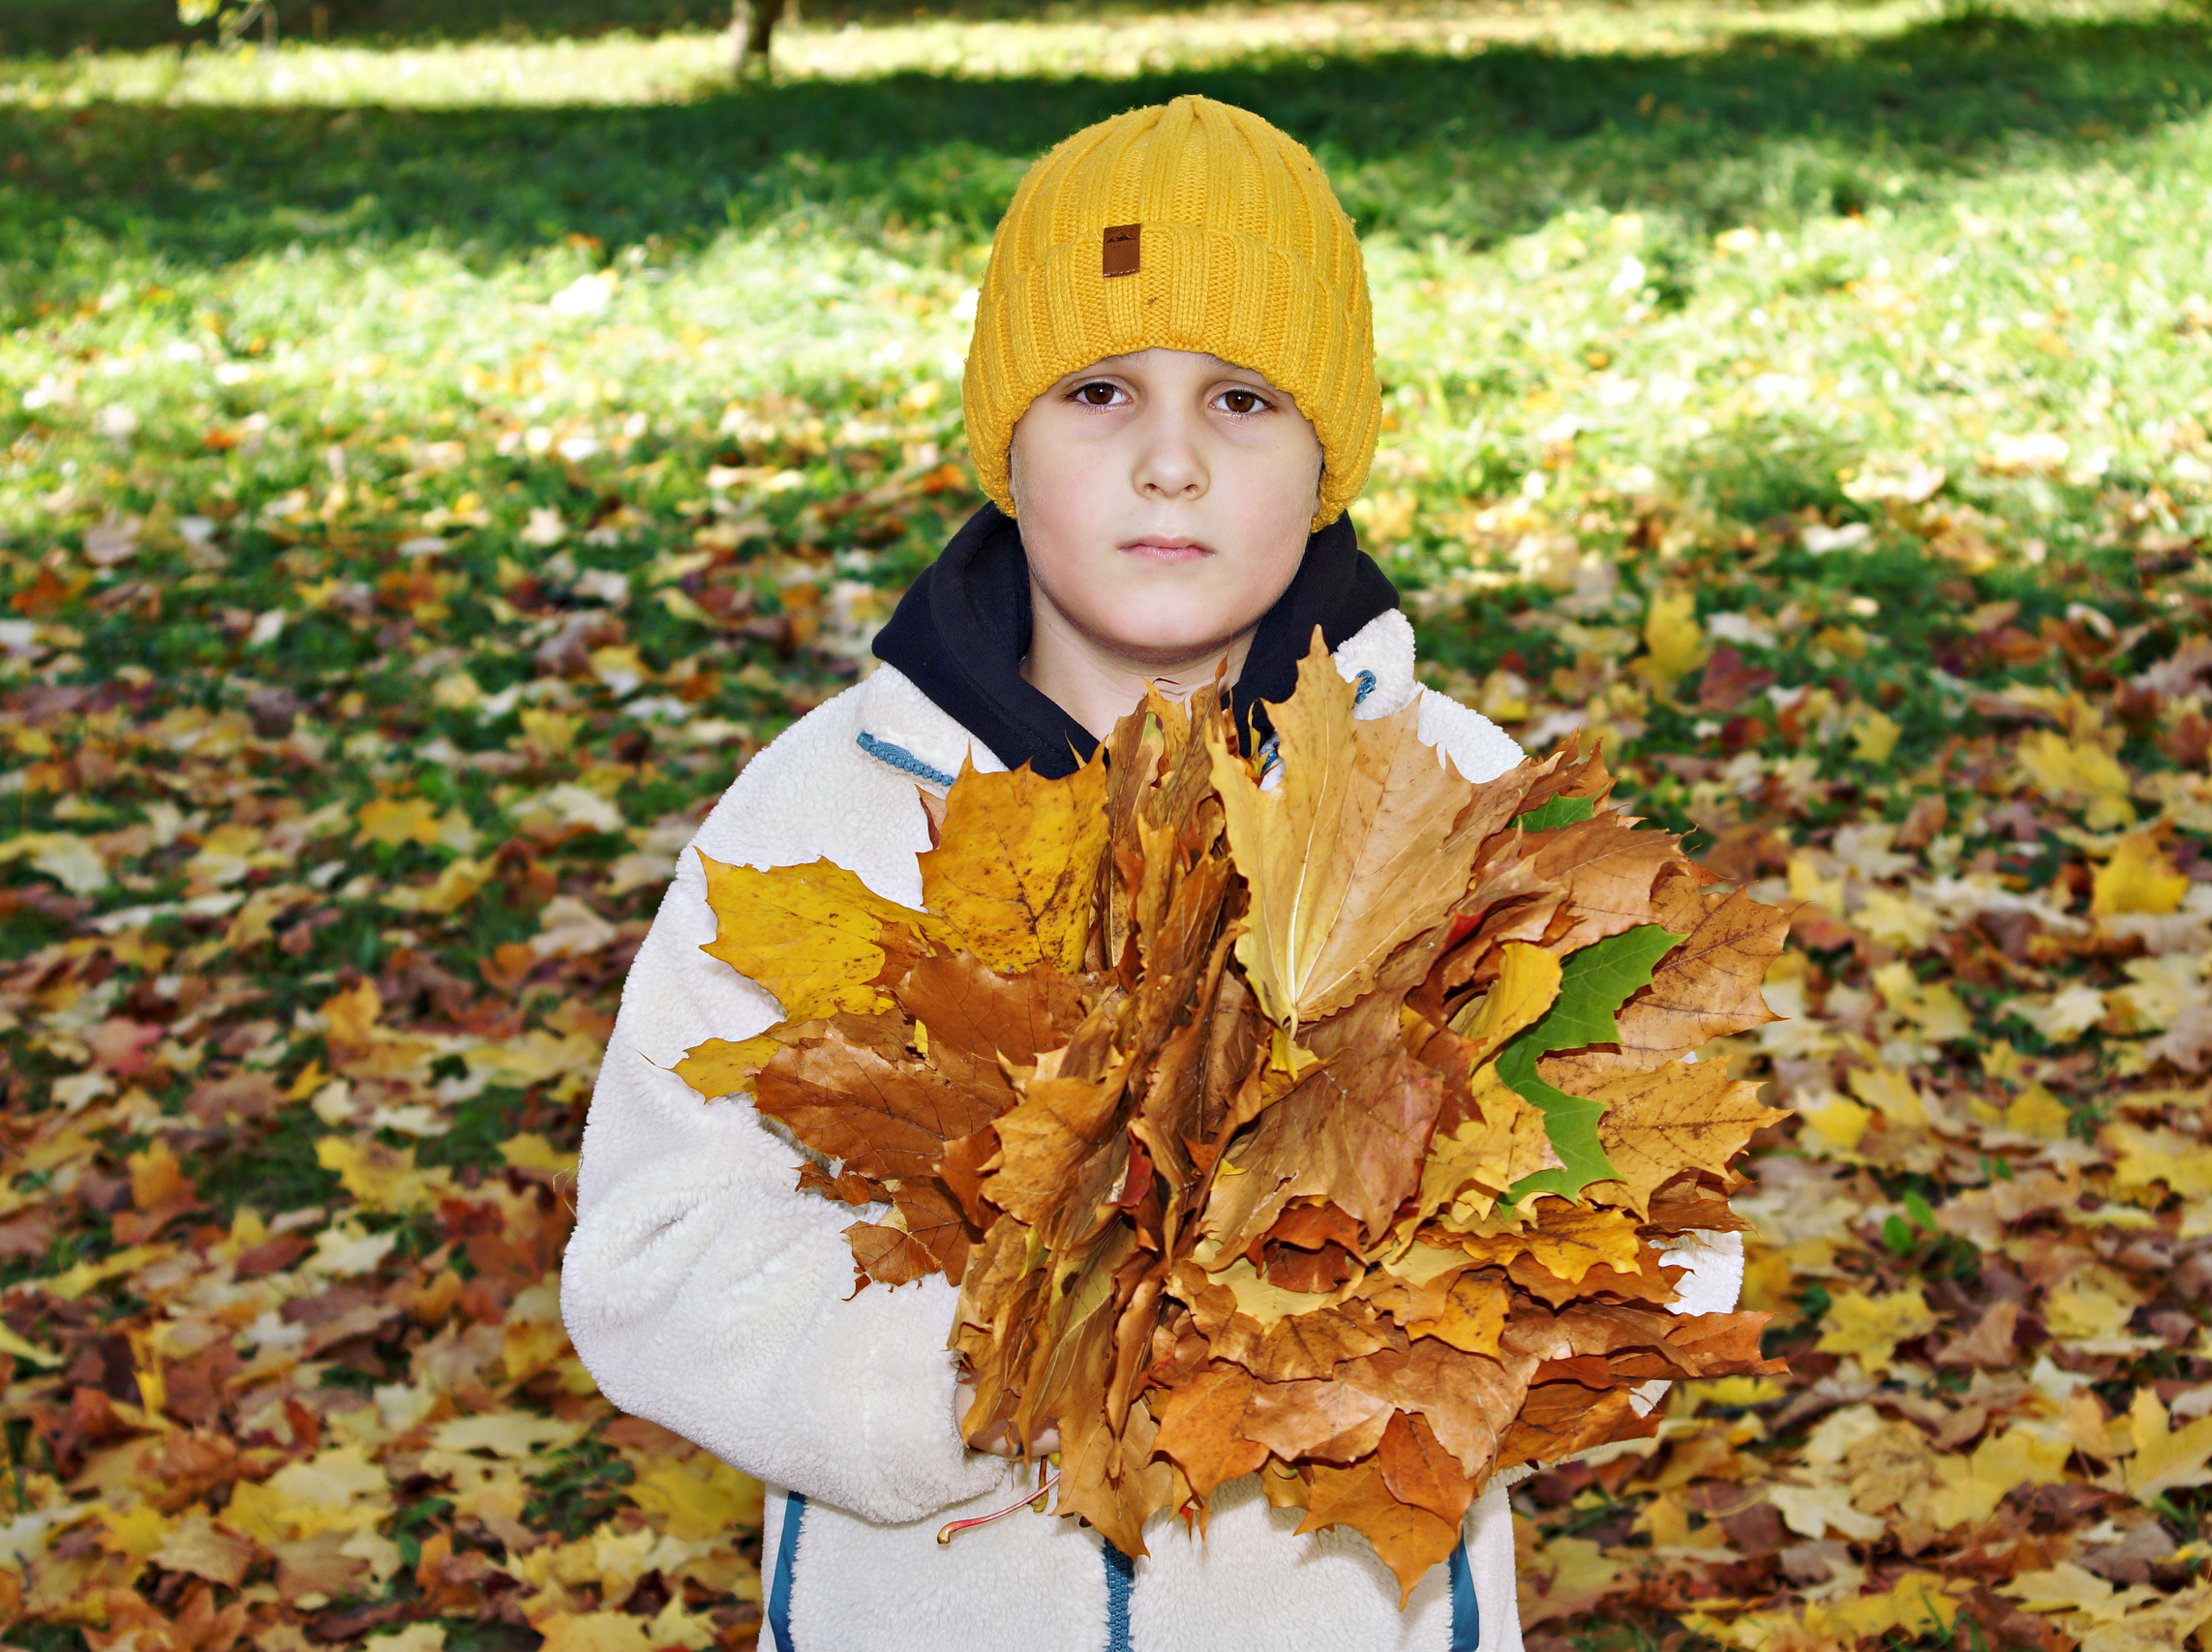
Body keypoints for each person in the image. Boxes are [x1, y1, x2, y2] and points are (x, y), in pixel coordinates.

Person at [561, 95, 1742, 1652]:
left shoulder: (1451, 795)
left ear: (1330, 454)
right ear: (1008, 442)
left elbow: (1655, 1230)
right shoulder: (822, 816)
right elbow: (656, 1255)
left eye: (1243, 399)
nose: (1170, 463)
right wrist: (981, 1374)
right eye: (1101, 392)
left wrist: (1354, 1357)